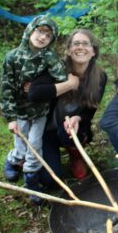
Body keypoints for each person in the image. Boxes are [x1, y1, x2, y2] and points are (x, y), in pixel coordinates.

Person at [0, 15, 79, 201]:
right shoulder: (12, 57)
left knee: (35, 147)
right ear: (30, 30)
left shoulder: (49, 58)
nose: (42, 37)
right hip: (20, 112)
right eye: (40, 31)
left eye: (48, 35)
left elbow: (60, 77)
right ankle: (12, 161)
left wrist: (40, 86)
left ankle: (32, 185)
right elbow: (6, 88)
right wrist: (10, 118)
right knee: (21, 147)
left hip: (40, 113)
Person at [25, 29, 107, 183]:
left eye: (85, 44)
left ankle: (76, 157)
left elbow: (90, 111)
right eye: (76, 44)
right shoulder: (55, 68)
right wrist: (68, 84)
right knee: (50, 180)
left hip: (73, 128)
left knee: (69, 129)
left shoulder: (100, 77)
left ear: (93, 51)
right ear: (69, 50)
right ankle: (26, 152)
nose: (80, 47)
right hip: (48, 129)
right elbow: (34, 93)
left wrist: (78, 117)